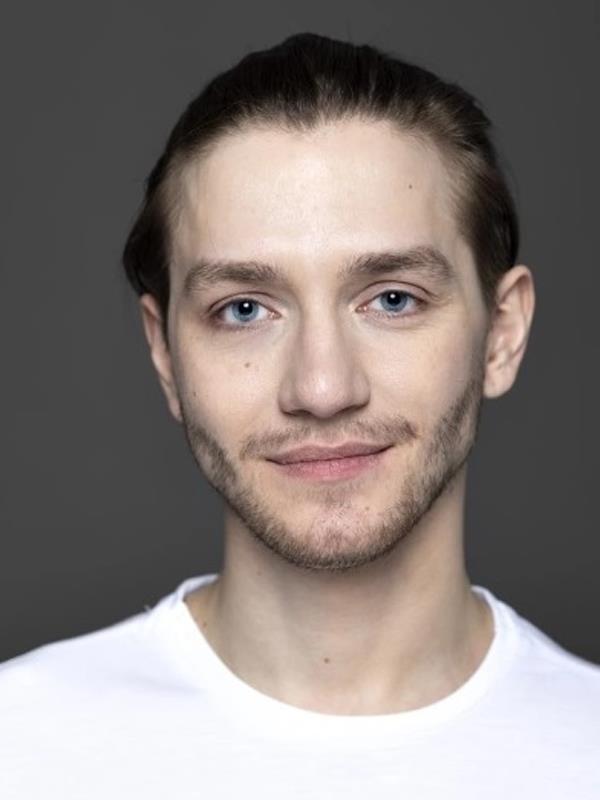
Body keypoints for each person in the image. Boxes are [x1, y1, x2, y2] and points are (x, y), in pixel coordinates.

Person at [1, 32, 599, 799]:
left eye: (393, 299)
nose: (321, 387)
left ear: (502, 335)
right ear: (164, 355)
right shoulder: (20, 746)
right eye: (244, 309)